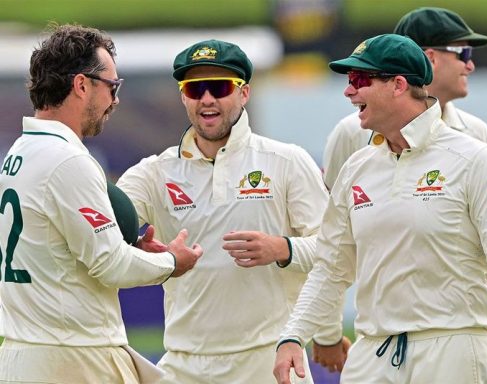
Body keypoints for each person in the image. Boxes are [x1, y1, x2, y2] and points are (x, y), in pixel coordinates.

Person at [273, 33, 487, 384]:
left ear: (398, 84)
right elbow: (331, 267)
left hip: (455, 348)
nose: (348, 91)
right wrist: (293, 335)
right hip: (373, 353)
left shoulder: (474, 158)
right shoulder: (357, 167)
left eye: (359, 80)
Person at [116, 39, 349, 384]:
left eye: (220, 87)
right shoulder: (154, 172)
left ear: (244, 93)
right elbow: (98, 231)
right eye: (195, 89)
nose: (207, 99)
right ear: (183, 97)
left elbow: (337, 249)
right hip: (184, 364)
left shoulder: (286, 161)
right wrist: (139, 252)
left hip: (271, 360)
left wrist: (282, 249)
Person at [0, 23, 202, 384]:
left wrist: (137, 251)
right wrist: (171, 262)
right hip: (72, 358)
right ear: (81, 85)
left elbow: (58, 249)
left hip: (20, 354)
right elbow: (110, 264)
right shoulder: (67, 161)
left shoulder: (18, 153)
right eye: (112, 87)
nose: (116, 100)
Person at [322, 7, 487, 191]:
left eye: (360, 79)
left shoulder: (477, 132)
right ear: (430, 58)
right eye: (464, 53)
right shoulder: (352, 132)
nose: (470, 65)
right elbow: (333, 211)